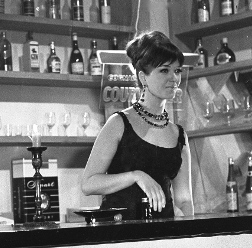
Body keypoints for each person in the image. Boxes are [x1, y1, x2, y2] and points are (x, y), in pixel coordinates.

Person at [81, 30, 194, 220]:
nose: (174, 78)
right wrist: (136, 176)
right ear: (143, 77)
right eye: (164, 70)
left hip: (162, 235)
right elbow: (88, 184)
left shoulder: (178, 135)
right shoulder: (119, 123)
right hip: (120, 233)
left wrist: (191, 233)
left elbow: (184, 201)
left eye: (177, 71)